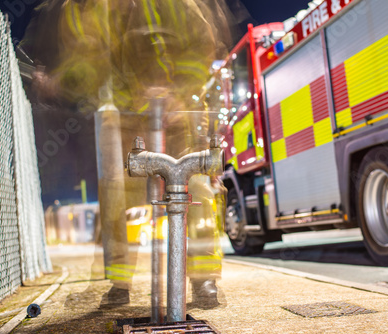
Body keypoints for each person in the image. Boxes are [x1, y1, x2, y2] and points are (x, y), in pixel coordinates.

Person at [23, 0, 236, 307]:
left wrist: (177, 91)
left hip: (180, 117)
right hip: (128, 119)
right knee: (118, 197)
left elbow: (202, 43)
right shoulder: (82, 11)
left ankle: (204, 279)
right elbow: (87, 65)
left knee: (197, 190)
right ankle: (120, 283)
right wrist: (59, 82)